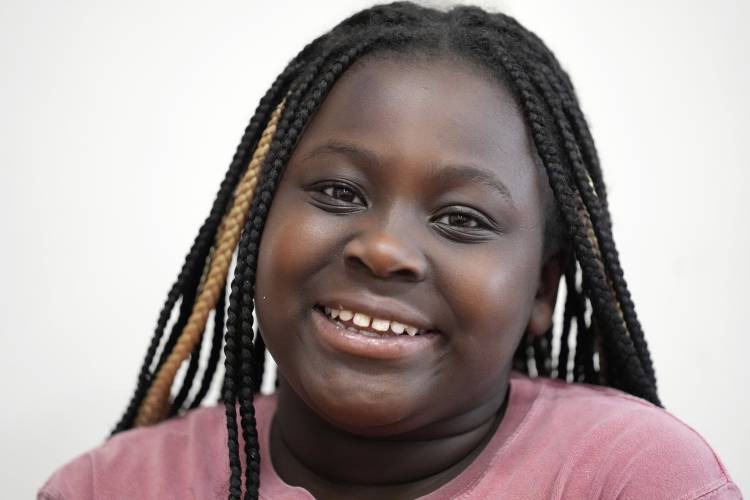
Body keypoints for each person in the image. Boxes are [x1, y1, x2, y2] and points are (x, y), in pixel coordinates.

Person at [38, 2, 742, 499]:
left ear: (540, 292)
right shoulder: (107, 488)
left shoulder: (636, 479)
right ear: (251, 227)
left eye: (462, 218)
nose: (382, 249)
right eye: (340, 194)